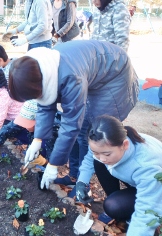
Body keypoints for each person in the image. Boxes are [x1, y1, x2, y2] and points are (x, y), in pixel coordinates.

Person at [8, 40, 139, 190]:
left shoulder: (70, 77)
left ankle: (83, 184)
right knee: (81, 130)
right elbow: (45, 105)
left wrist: (53, 164)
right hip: (91, 72)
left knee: (89, 131)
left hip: (114, 74)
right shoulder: (40, 69)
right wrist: (37, 139)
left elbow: (71, 124)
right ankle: (74, 175)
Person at [76, 115, 162, 236]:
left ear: (125, 145)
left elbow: (148, 208)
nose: (102, 157)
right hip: (138, 180)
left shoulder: (146, 166)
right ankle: (126, 207)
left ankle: (128, 213)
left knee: (113, 206)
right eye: (96, 151)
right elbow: (92, 156)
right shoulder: (107, 143)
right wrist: (82, 181)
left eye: (106, 154)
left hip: (157, 190)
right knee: (99, 163)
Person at [0, 100, 49, 166]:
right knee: (16, 129)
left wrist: (44, 162)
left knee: (44, 148)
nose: (26, 126)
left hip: (45, 142)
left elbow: (56, 163)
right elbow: (6, 129)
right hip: (32, 136)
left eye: (29, 124)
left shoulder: (54, 132)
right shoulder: (26, 116)